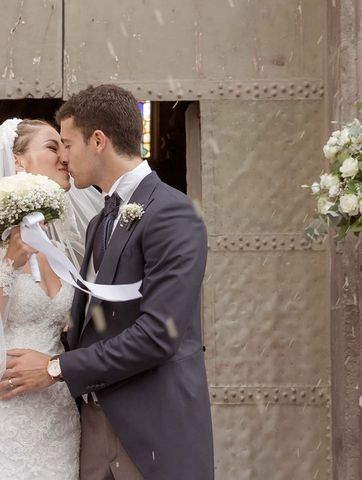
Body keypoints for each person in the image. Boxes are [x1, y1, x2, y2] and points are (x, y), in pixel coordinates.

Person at [0, 85, 214, 479]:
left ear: (98, 141)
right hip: (87, 436)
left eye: (66, 143)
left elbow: (158, 334)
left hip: (152, 434)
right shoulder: (99, 222)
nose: (63, 157)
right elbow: (91, 327)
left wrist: (52, 368)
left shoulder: (172, 213)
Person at [0, 118, 101, 479]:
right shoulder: (3, 246)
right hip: (8, 408)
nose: (64, 158)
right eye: (52, 147)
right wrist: (10, 262)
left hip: (58, 409)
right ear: (19, 161)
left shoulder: (61, 247)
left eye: (66, 147)